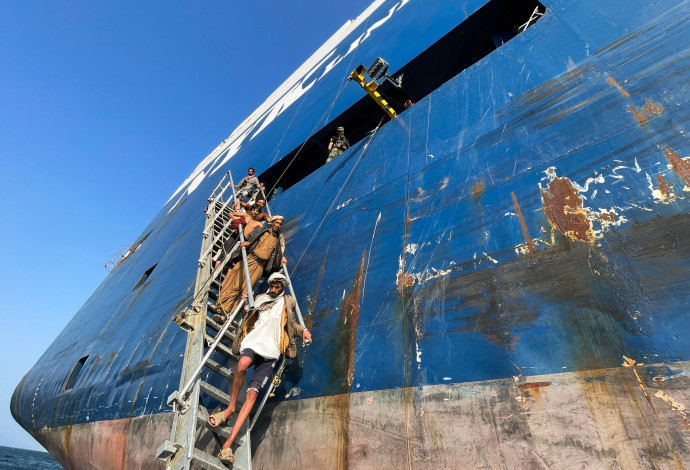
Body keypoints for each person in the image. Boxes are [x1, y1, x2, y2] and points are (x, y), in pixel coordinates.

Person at [209, 272, 312, 466]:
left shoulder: (288, 302)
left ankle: (228, 445)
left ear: (283, 286)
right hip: (253, 342)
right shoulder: (261, 298)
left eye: (277, 286)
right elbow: (248, 314)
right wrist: (245, 303)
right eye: (272, 285)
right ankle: (230, 409)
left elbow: (293, 325)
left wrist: (303, 331)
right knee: (242, 364)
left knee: (252, 395)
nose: (273, 289)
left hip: (271, 351)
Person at [214, 215, 287, 323]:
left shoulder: (279, 240)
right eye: (277, 223)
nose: (278, 225)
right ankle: (220, 309)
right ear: (272, 222)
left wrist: (282, 258)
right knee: (234, 283)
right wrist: (248, 243)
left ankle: (226, 314)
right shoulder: (261, 230)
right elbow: (249, 238)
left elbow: (279, 252)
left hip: (260, 266)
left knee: (245, 290)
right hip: (249, 258)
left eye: (280, 224)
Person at [213, 205, 266, 270]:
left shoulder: (259, 223)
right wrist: (238, 221)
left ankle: (229, 268)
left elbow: (260, 233)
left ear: (259, 213)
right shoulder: (245, 215)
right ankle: (215, 270)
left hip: (244, 240)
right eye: (253, 210)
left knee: (235, 256)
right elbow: (230, 214)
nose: (255, 212)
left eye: (257, 211)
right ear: (251, 210)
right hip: (236, 235)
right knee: (224, 250)